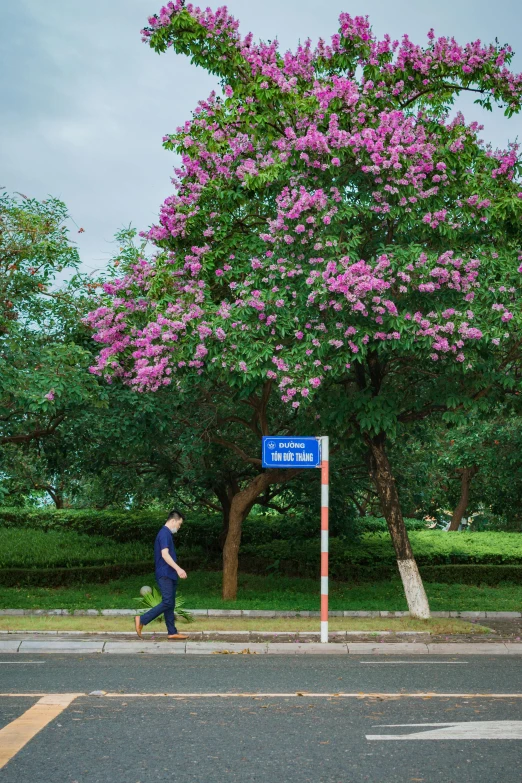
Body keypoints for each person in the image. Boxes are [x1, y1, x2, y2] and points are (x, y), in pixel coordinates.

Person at [134, 509, 189, 640]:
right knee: (168, 602)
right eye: (179, 524)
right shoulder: (164, 533)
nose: (179, 527)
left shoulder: (167, 534)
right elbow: (165, 554)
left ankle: (172, 631)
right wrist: (179, 569)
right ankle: (141, 619)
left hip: (169, 574)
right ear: (173, 520)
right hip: (165, 573)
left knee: (170, 603)